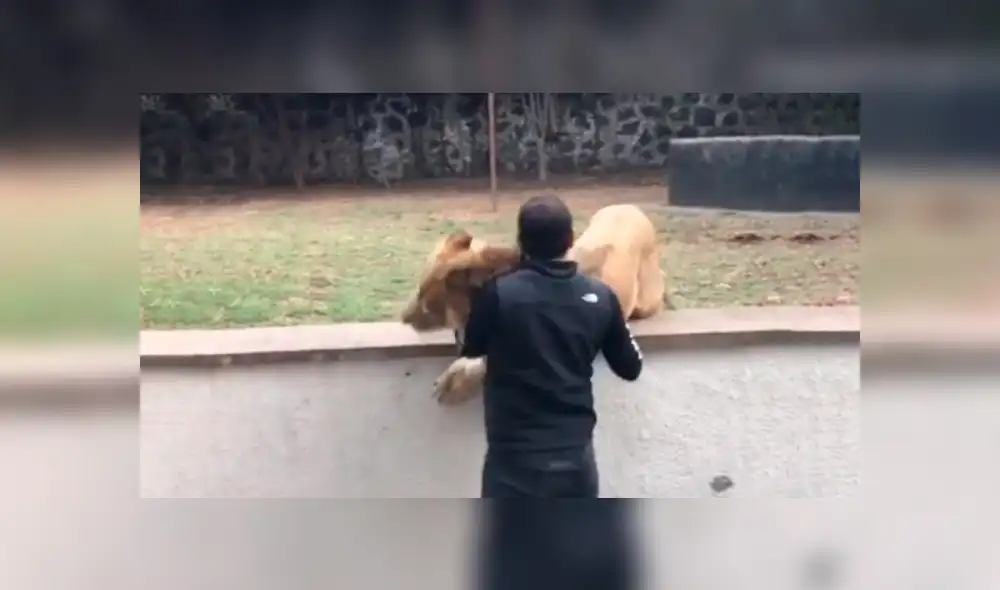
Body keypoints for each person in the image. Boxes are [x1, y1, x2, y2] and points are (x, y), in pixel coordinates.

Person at [459, 194, 644, 499]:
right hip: (574, 461)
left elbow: (469, 353)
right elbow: (630, 368)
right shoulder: (600, 297)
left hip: (512, 461)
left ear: (521, 241)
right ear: (570, 239)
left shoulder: (498, 295)